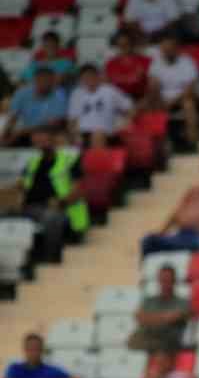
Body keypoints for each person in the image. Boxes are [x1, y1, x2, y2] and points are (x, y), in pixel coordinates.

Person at [15, 126, 86, 261]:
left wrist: (61, 202)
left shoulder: (70, 160)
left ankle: (51, 258)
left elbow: (79, 191)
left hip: (62, 210)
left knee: (51, 217)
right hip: (30, 208)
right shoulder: (31, 163)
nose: (39, 141)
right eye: (36, 138)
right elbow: (20, 188)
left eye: (43, 137)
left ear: (53, 139)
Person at [130, 263, 191, 374]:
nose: (165, 283)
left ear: (174, 281)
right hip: (146, 340)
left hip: (166, 343)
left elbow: (176, 316)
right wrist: (164, 317)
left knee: (158, 363)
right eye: (163, 279)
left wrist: (151, 318)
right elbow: (139, 317)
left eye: (168, 280)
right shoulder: (149, 300)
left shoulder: (182, 302)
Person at [145, 32, 199, 147]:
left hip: (182, 98)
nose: (167, 51)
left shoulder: (187, 62)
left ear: (176, 48)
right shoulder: (156, 63)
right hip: (162, 99)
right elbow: (152, 85)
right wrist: (160, 100)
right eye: (164, 48)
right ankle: (154, 144)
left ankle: (192, 141)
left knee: (189, 104)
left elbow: (190, 88)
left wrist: (172, 102)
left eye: (170, 48)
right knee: (146, 103)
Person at [67, 65, 133, 149]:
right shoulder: (76, 94)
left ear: (98, 76)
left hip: (106, 132)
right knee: (63, 140)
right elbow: (72, 119)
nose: (89, 79)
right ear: (81, 79)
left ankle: (95, 160)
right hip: (83, 132)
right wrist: (74, 134)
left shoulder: (109, 91)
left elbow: (129, 108)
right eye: (85, 77)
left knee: (97, 135)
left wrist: (126, 122)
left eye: (91, 76)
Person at [4, 67, 68, 144]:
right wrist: (6, 132)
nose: (45, 83)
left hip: (50, 131)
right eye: (41, 80)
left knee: (44, 137)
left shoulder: (60, 95)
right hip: (26, 131)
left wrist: (22, 132)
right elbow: (13, 117)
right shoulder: (21, 93)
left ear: (53, 81)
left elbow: (55, 124)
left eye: (48, 80)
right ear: (35, 80)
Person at [105, 31, 153, 104]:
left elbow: (151, 85)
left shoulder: (145, 61)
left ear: (132, 44)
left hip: (140, 100)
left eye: (126, 44)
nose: (123, 47)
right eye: (120, 45)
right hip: (118, 102)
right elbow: (107, 86)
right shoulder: (111, 64)